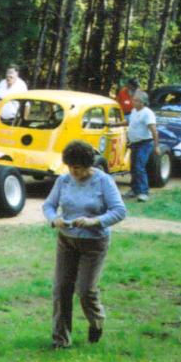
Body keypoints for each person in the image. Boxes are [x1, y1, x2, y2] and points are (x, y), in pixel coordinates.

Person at [41, 140, 127, 349]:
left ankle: (96, 321)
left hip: (94, 242)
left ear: (89, 165)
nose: (73, 172)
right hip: (67, 240)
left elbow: (119, 211)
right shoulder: (63, 180)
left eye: (78, 168)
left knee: (85, 290)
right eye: (70, 167)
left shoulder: (103, 181)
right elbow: (48, 205)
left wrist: (94, 221)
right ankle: (61, 339)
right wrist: (54, 219)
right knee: (61, 288)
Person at [125, 90, 159, 202]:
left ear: (142, 102)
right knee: (133, 167)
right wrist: (114, 124)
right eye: (133, 100)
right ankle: (134, 190)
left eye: (136, 100)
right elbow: (129, 122)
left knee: (139, 167)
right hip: (134, 143)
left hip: (144, 143)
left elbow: (154, 131)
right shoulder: (134, 111)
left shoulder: (147, 113)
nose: (133, 102)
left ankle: (144, 192)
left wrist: (156, 146)